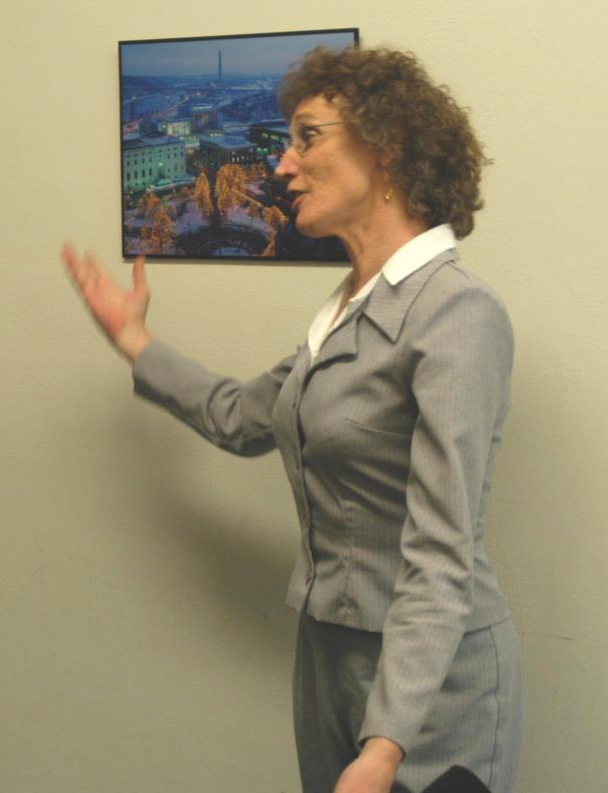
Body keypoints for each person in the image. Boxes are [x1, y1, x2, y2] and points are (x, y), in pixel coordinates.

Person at [63, 45, 521, 793]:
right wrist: (134, 340)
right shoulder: (347, 310)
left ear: (387, 147)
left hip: (432, 694)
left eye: (307, 137)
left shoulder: (456, 314)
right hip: (328, 662)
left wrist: (385, 744)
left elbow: (443, 550)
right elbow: (241, 417)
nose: (282, 165)